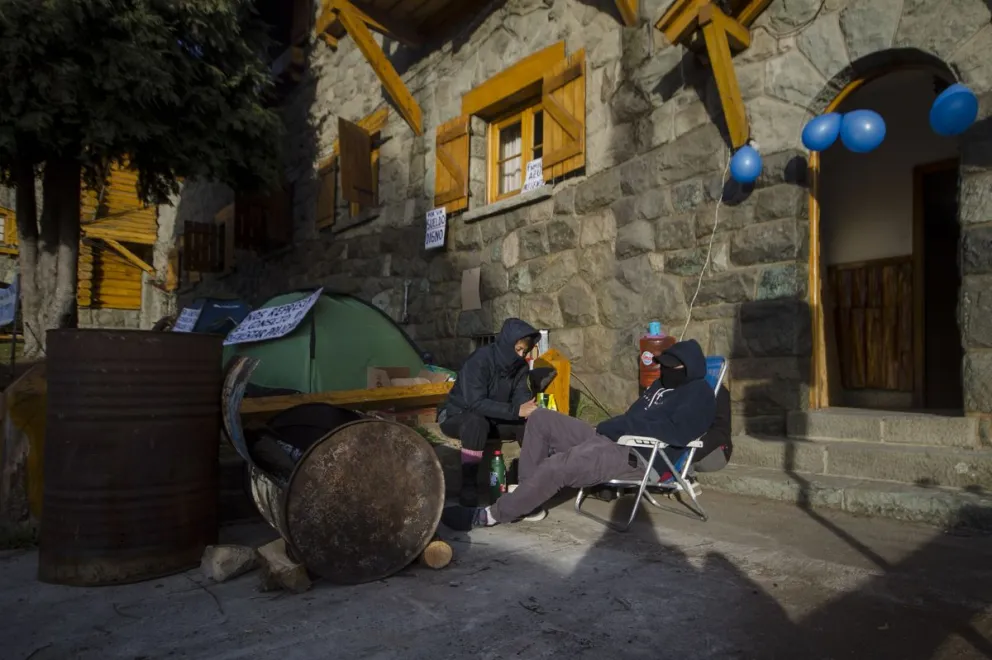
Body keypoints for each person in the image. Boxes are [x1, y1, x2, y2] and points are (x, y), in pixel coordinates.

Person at [441, 339, 717, 530]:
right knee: (539, 418)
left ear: (687, 367)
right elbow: (632, 416)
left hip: (639, 455)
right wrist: (618, 426)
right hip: (611, 437)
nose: (664, 370)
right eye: (663, 364)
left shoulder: (699, 394)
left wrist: (624, 428)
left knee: (558, 465)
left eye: (671, 366)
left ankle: (491, 515)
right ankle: (529, 501)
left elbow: (679, 433)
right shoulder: (659, 385)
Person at [437, 318, 542, 507]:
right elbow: (475, 403)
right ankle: (469, 484)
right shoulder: (479, 360)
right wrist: (516, 410)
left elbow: (521, 397)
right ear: (506, 343)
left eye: (524, 351)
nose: (521, 355)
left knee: (528, 424)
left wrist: (528, 410)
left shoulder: (521, 368)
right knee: (476, 421)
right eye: (518, 349)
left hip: (495, 418)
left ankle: (531, 483)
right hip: (459, 415)